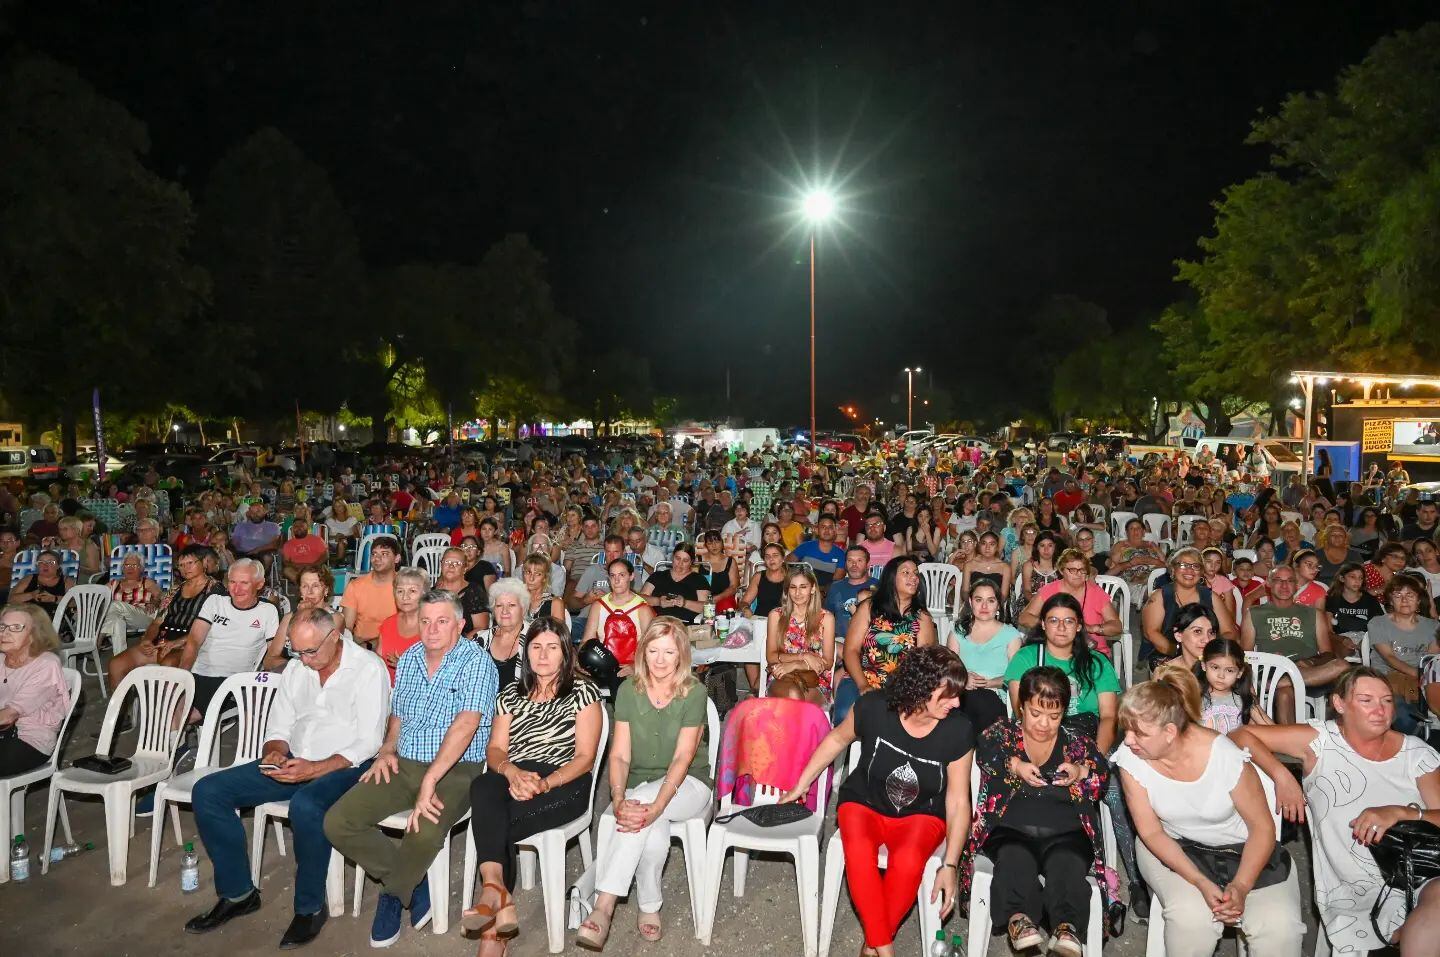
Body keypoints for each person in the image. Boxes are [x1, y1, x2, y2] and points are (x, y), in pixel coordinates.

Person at [184, 608, 390, 948]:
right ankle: (238, 893)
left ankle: (309, 908)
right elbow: (278, 726)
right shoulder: (296, 668)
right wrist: (275, 751)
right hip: (295, 760)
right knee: (209, 791)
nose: (305, 659)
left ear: (335, 637)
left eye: (311, 651)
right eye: (298, 651)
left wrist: (315, 768)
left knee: (307, 806)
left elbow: (369, 741)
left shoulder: (368, 668)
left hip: (348, 766)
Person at [324, 589, 499, 948]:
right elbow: (398, 714)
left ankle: (391, 896)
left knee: (421, 831)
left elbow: (466, 725)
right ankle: (411, 883)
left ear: (460, 625)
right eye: (425, 621)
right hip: (403, 762)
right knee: (337, 821)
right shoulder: (408, 659)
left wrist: (430, 781)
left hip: (456, 769)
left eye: (442, 621)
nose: (432, 629)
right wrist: (387, 749)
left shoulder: (477, 662)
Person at [1232, 667, 1440, 956]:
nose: (1380, 709)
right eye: (1366, 700)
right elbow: (1240, 734)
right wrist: (1282, 776)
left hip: (1422, 873)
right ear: (1339, 704)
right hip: (1353, 888)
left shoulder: (1415, 754)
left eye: (1387, 700)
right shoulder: (1320, 741)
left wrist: (1401, 813)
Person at [781, 645, 973, 957]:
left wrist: (951, 863)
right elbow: (836, 739)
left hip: (923, 814)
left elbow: (958, 801)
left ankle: (872, 945)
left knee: (910, 860)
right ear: (922, 688)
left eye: (958, 694)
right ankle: (883, 950)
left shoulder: (958, 730)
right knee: (857, 851)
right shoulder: (874, 707)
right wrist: (802, 783)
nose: (956, 702)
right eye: (948, 694)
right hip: (864, 802)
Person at [1114, 665, 1303, 957]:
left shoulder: (1225, 758)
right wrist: (1200, 881)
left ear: (1170, 732)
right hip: (1173, 847)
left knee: (1279, 928)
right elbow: (1151, 831)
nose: (1127, 740)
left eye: (1138, 733)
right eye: (1126, 730)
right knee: (1191, 921)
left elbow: (1263, 829)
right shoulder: (1132, 757)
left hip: (1242, 850)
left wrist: (1240, 886)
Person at [576, 617, 711, 950]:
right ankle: (650, 906)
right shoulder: (628, 690)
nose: (661, 659)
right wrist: (619, 796)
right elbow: (619, 756)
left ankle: (604, 903)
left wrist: (657, 805)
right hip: (637, 784)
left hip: (689, 784)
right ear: (643, 652)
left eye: (669, 651)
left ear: (681, 655)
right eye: (654, 650)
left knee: (644, 813)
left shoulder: (694, 691)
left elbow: (683, 758)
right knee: (647, 830)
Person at [964, 666, 1111, 957]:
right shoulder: (1002, 733)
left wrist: (1081, 771)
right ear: (1021, 707)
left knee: (1067, 866)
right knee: (1014, 860)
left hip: (1067, 834)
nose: (1043, 723)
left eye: (1054, 716)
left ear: (1064, 713)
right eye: (1035, 713)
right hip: (1010, 830)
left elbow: (1102, 780)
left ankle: (1067, 929)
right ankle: (1020, 920)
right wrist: (1014, 765)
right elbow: (986, 754)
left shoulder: (1078, 743)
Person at [1240, 563, 1352, 722]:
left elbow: (1328, 654)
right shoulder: (1254, 613)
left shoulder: (1314, 614)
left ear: (1296, 585)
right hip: (1273, 669)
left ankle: (1275, 683)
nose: (1284, 585)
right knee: (1285, 693)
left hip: (1308, 671)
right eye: (1278, 580)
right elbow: (1246, 655)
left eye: (1290, 580)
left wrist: (1310, 661)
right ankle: (1290, 744)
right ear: (1269, 585)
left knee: (1342, 666)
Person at [834, 556, 938, 724]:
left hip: (902, 686)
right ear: (891, 578)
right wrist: (863, 686)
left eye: (916, 573)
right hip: (861, 677)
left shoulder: (922, 618)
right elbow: (851, 650)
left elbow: (923, 662)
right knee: (845, 713)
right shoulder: (869, 608)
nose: (913, 577)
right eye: (906, 572)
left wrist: (904, 691)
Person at [106, 545, 226, 691]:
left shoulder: (215, 590)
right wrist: (148, 640)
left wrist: (176, 643)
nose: (185, 568)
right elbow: (157, 621)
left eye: (190, 563)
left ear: (204, 563)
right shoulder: (175, 590)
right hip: (162, 641)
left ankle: (165, 710)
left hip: (190, 643)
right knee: (116, 664)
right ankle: (122, 712)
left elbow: (215, 626)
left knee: (168, 664)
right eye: (181, 565)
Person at [179, 559, 281, 723]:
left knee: (182, 714)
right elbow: (194, 641)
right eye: (232, 582)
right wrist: (182, 673)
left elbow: (272, 653)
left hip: (234, 680)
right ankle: (179, 745)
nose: (236, 589)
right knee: (166, 706)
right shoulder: (215, 602)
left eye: (244, 583)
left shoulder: (268, 611)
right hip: (199, 673)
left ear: (259, 584)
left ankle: (182, 737)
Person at [0, 604, 71, 775]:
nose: (4, 633)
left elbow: (9, 715)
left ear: (34, 635)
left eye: (16, 628)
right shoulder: (1, 658)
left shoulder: (46, 664)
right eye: (2, 626)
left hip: (30, 739)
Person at [1367, 574, 1440, 733]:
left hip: (1424, 680)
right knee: (1406, 718)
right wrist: (1419, 673)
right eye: (1398, 595)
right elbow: (1389, 658)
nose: (1404, 600)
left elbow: (1432, 659)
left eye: (1410, 595)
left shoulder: (1433, 626)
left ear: (1419, 600)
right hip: (1388, 680)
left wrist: (1424, 677)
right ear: (1390, 601)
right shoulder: (1378, 623)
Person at [949, 579, 1023, 732]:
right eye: (978, 600)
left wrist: (988, 683)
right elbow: (948, 669)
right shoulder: (958, 632)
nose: (984, 606)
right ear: (970, 602)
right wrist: (964, 679)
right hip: (961, 693)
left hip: (995, 696)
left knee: (980, 700)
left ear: (998, 604)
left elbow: (1016, 676)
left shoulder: (1011, 635)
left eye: (990, 600)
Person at [1018, 549, 1121, 657]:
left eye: (1082, 570)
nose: (1078, 574)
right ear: (1061, 571)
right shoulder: (1049, 590)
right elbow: (1024, 618)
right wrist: (1052, 624)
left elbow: (1116, 626)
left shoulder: (1096, 592)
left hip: (1090, 651)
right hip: (1055, 650)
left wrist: (1092, 628)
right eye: (1072, 570)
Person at [765, 565, 836, 709]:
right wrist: (804, 656)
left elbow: (827, 662)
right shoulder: (776, 616)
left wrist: (796, 664)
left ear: (813, 588)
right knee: (792, 695)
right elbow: (771, 657)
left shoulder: (826, 618)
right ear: (787, 590)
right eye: (793, 587)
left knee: (794, 701)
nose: (797, 593)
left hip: (815, 679)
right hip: (781, 676)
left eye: (803, 587)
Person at [262, 564, 343, 671]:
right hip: (288, 674)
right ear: (300, 591)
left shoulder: (335, 618)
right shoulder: (289, 618)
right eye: (305, 586)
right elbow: (269, 660)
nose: (310, 592)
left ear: (326, 590)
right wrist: (294, 669)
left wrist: (309, 615)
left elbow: (322, 660)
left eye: (315, 586)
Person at [581, 559, 653, 677]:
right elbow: (587, 640)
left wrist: (635, 666)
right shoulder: (598, 605)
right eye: (612, 575)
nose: (617, 580)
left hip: (633, 666)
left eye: (622, 575)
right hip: (601, 664)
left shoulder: (643, 609)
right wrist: (584, 661)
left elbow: (652, 646)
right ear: (608, 578)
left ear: (631, 576)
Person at [1193, 636, 1270, 731]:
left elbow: (1272, 730)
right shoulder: (1193, 696)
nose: (1221, 676)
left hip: (1235, 745)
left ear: (1239, 673)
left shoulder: (1244, 699)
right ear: (1204, 665)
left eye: (1229, 670)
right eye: (1215, 667)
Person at [341, 536, 400, 649]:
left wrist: (372, 644)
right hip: (361, 648)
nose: (377, 558)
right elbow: (346, 628)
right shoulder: (356, 586)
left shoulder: (405, 588)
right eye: (374, 554)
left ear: (396, 558)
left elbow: (408, 628)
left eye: (384, 554)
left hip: (392, 647)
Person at [101, 552, 163, 650]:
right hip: (119, 617)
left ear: (141, 568)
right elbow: (97, 595)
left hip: (143, 616)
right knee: (117, 623)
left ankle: (98, 640)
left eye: (134, 565)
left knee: (114, 605)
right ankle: (120, 658)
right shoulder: (113, 583)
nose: (130, 568)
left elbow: (161, 596)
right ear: (122, 568)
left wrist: (153, 603)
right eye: (127, 565)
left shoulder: (147, 582)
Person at [639, 543, 710, 625]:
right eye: (677, 558)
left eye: (685, 560)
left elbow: (706, 607)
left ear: (692, 562)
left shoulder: (699, 580)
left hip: (684, 625)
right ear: (672, 557)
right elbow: (641, 599)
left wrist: (685, 603)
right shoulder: (658, 576)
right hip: (657, 623)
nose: (680, 563)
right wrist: (658, 601)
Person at [376, 568, 426, 682]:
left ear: (424, 595)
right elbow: (377, 662)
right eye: (400, 591)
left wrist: (406, 667)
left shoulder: (432, 627)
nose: (405, 597)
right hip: (386, 690)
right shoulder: (388, 623)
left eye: (412, 591)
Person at [482, 577, 531, 689]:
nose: (505, 611)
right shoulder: (480, 640)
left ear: (523, 609)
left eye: (511, 605)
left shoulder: (535, 639)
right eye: (499, 606)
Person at [435, 546, 491, 636]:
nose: (451, 566)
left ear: (465, 568)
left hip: (465, 644)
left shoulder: (474, 591)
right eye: (447, 562)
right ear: (441, 565)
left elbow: (482, 627)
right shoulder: (433, 592)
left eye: (457, 563)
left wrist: (459, 647)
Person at [824, 545, 876, 638]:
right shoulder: (835, 587)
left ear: (867, 564)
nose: (854, 565)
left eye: (859, 560)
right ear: (845, 564)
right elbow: (826, 616)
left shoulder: (878, 586)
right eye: (850, 560)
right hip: (839, 641)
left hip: (869, 642)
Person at [9, 548, 72, 612]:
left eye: (50, 562)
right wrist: (31, 595)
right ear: (37, 565)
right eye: (41, 562)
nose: (45, 565)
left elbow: (75, 603)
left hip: (56, 618)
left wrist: (54, 598)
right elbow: (11, 599)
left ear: (58, 565)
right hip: (29, 616)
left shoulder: (66, 581)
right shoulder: (29, 578)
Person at [962, 531, 1012, 610]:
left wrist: (994, 608)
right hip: (974, 606)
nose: (987, 547)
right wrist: (971, 605)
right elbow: (965, 591)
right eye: (984, 543)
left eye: (992, 544)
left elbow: (1004, 595)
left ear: (997, 547)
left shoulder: (1005, 567)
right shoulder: (969, 565)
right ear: (979, 545)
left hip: (997, 607)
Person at [231, 501, 282, 572]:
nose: (255, 514)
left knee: (267, 557)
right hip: (242, 554)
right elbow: (234, 543)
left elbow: (275, 544)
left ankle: (258, 578)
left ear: (264, 511)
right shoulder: (240, 526)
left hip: (261, 553)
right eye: (252, 512)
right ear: (248, 513)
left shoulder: (273, 526)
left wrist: (257, 550)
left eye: (258, 511)